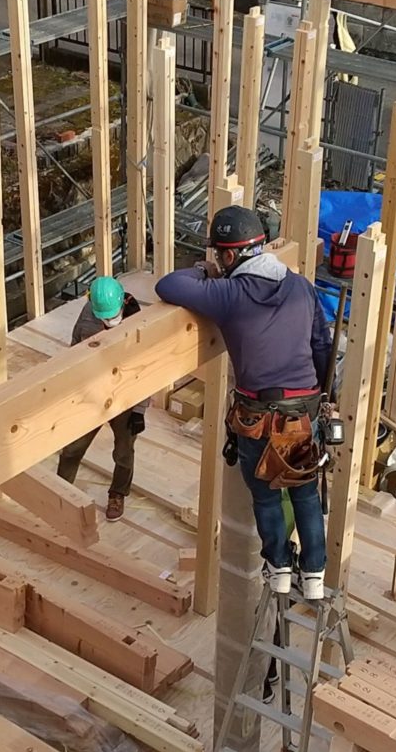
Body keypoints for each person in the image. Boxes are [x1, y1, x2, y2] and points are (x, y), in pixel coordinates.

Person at [157, 206, 334, 600]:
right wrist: (324, 396)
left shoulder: (229, 295)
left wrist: (203, 270)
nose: (218, 262)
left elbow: (169, 285)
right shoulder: (301, 287)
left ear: (230, 255)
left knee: (266, 494)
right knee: (304, 491)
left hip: (258, 414)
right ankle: (314, 573)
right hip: (302, 410)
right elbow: (322, 346)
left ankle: (279, 567)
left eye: (219, 256)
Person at [57, 276, 146, 520]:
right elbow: (74, 350)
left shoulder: (138, 320)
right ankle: (61, 495)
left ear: (122, 303)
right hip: (91, 393)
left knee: (124, 452)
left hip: (125, 395)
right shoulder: (89, 313)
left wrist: (139, 410)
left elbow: (145, 368)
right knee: (72, 449)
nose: (108, 321)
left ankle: (118, 493)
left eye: (112, 316)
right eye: (103, 317)